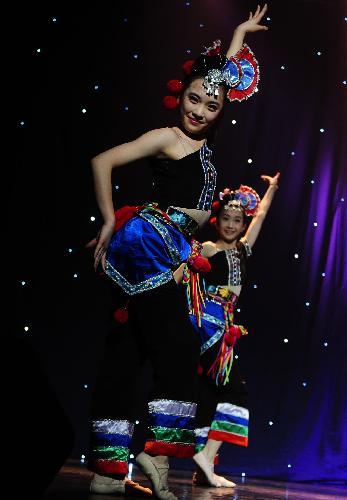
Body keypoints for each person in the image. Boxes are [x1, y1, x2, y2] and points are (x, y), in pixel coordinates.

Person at [87, 5, 268, 498]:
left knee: (129, 353)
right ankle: (154, 454)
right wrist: (108, 220)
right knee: (176, 350)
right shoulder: (167, 137)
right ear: (181, 96)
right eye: (193, 100)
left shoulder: (204, 143)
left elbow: (219, 78)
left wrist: (237, 35)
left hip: (171, 251)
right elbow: (102, 160)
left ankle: (110, 470)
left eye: (210, 107)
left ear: (221, 111)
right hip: (148, 248)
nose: (200, 110)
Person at [182, 173, 280, 488]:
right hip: (207, 323)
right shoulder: (209, 248)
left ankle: (204, 470)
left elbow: (261, 216)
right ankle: (206, 457)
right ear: (217, 219)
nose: (231, 225)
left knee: (209, 394)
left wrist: (272, 190)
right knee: (236, 391)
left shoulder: (242, 249)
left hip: (224, 325)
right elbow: (186, 272)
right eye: (226, 218)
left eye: (237, 220)